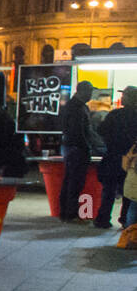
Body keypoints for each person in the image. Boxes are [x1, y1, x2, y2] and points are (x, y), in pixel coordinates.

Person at [59, 80, 102, 223]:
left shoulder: (76, 106)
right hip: (77, 149)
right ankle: (70, 214)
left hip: (72, 148)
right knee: (75, 182)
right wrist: (88, 147)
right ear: (82, 91)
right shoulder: (76, 108)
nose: (91, 95)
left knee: (70, 180)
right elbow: (78, 132)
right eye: (89, 92)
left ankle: (66, 213)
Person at [94, 86, 137, 229]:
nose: (122, 97)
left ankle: (103, 219)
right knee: (128, 193)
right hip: (130, 160)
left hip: (113, 157)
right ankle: (125, 220)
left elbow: (101, 130)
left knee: (109, 190)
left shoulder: (115, 115)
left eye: (124, 95)